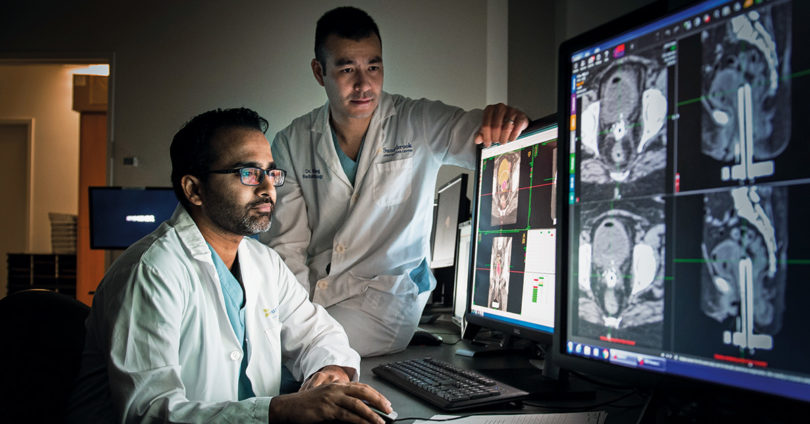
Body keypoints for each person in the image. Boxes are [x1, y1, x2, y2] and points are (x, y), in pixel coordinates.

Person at [67, 108, 392, 423]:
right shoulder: (153, 271)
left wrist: (330, 371)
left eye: (270, 173)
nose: (267, 189)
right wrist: (279, 411)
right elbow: (149, 412)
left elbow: (316, 334)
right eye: (248, 173)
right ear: (194, 189)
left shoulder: (263, 263)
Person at [262, 6, 530, 357]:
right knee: (269, 344)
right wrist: (292, 317)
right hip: (314, 296)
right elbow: (287, 247)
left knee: (298, 354)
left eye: (374, 67)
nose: (364, 84)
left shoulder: (416, 121)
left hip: (385, 302)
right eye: (347, 69)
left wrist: (508, 122)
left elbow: (491, 139)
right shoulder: (292, 141)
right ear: (319, 71)